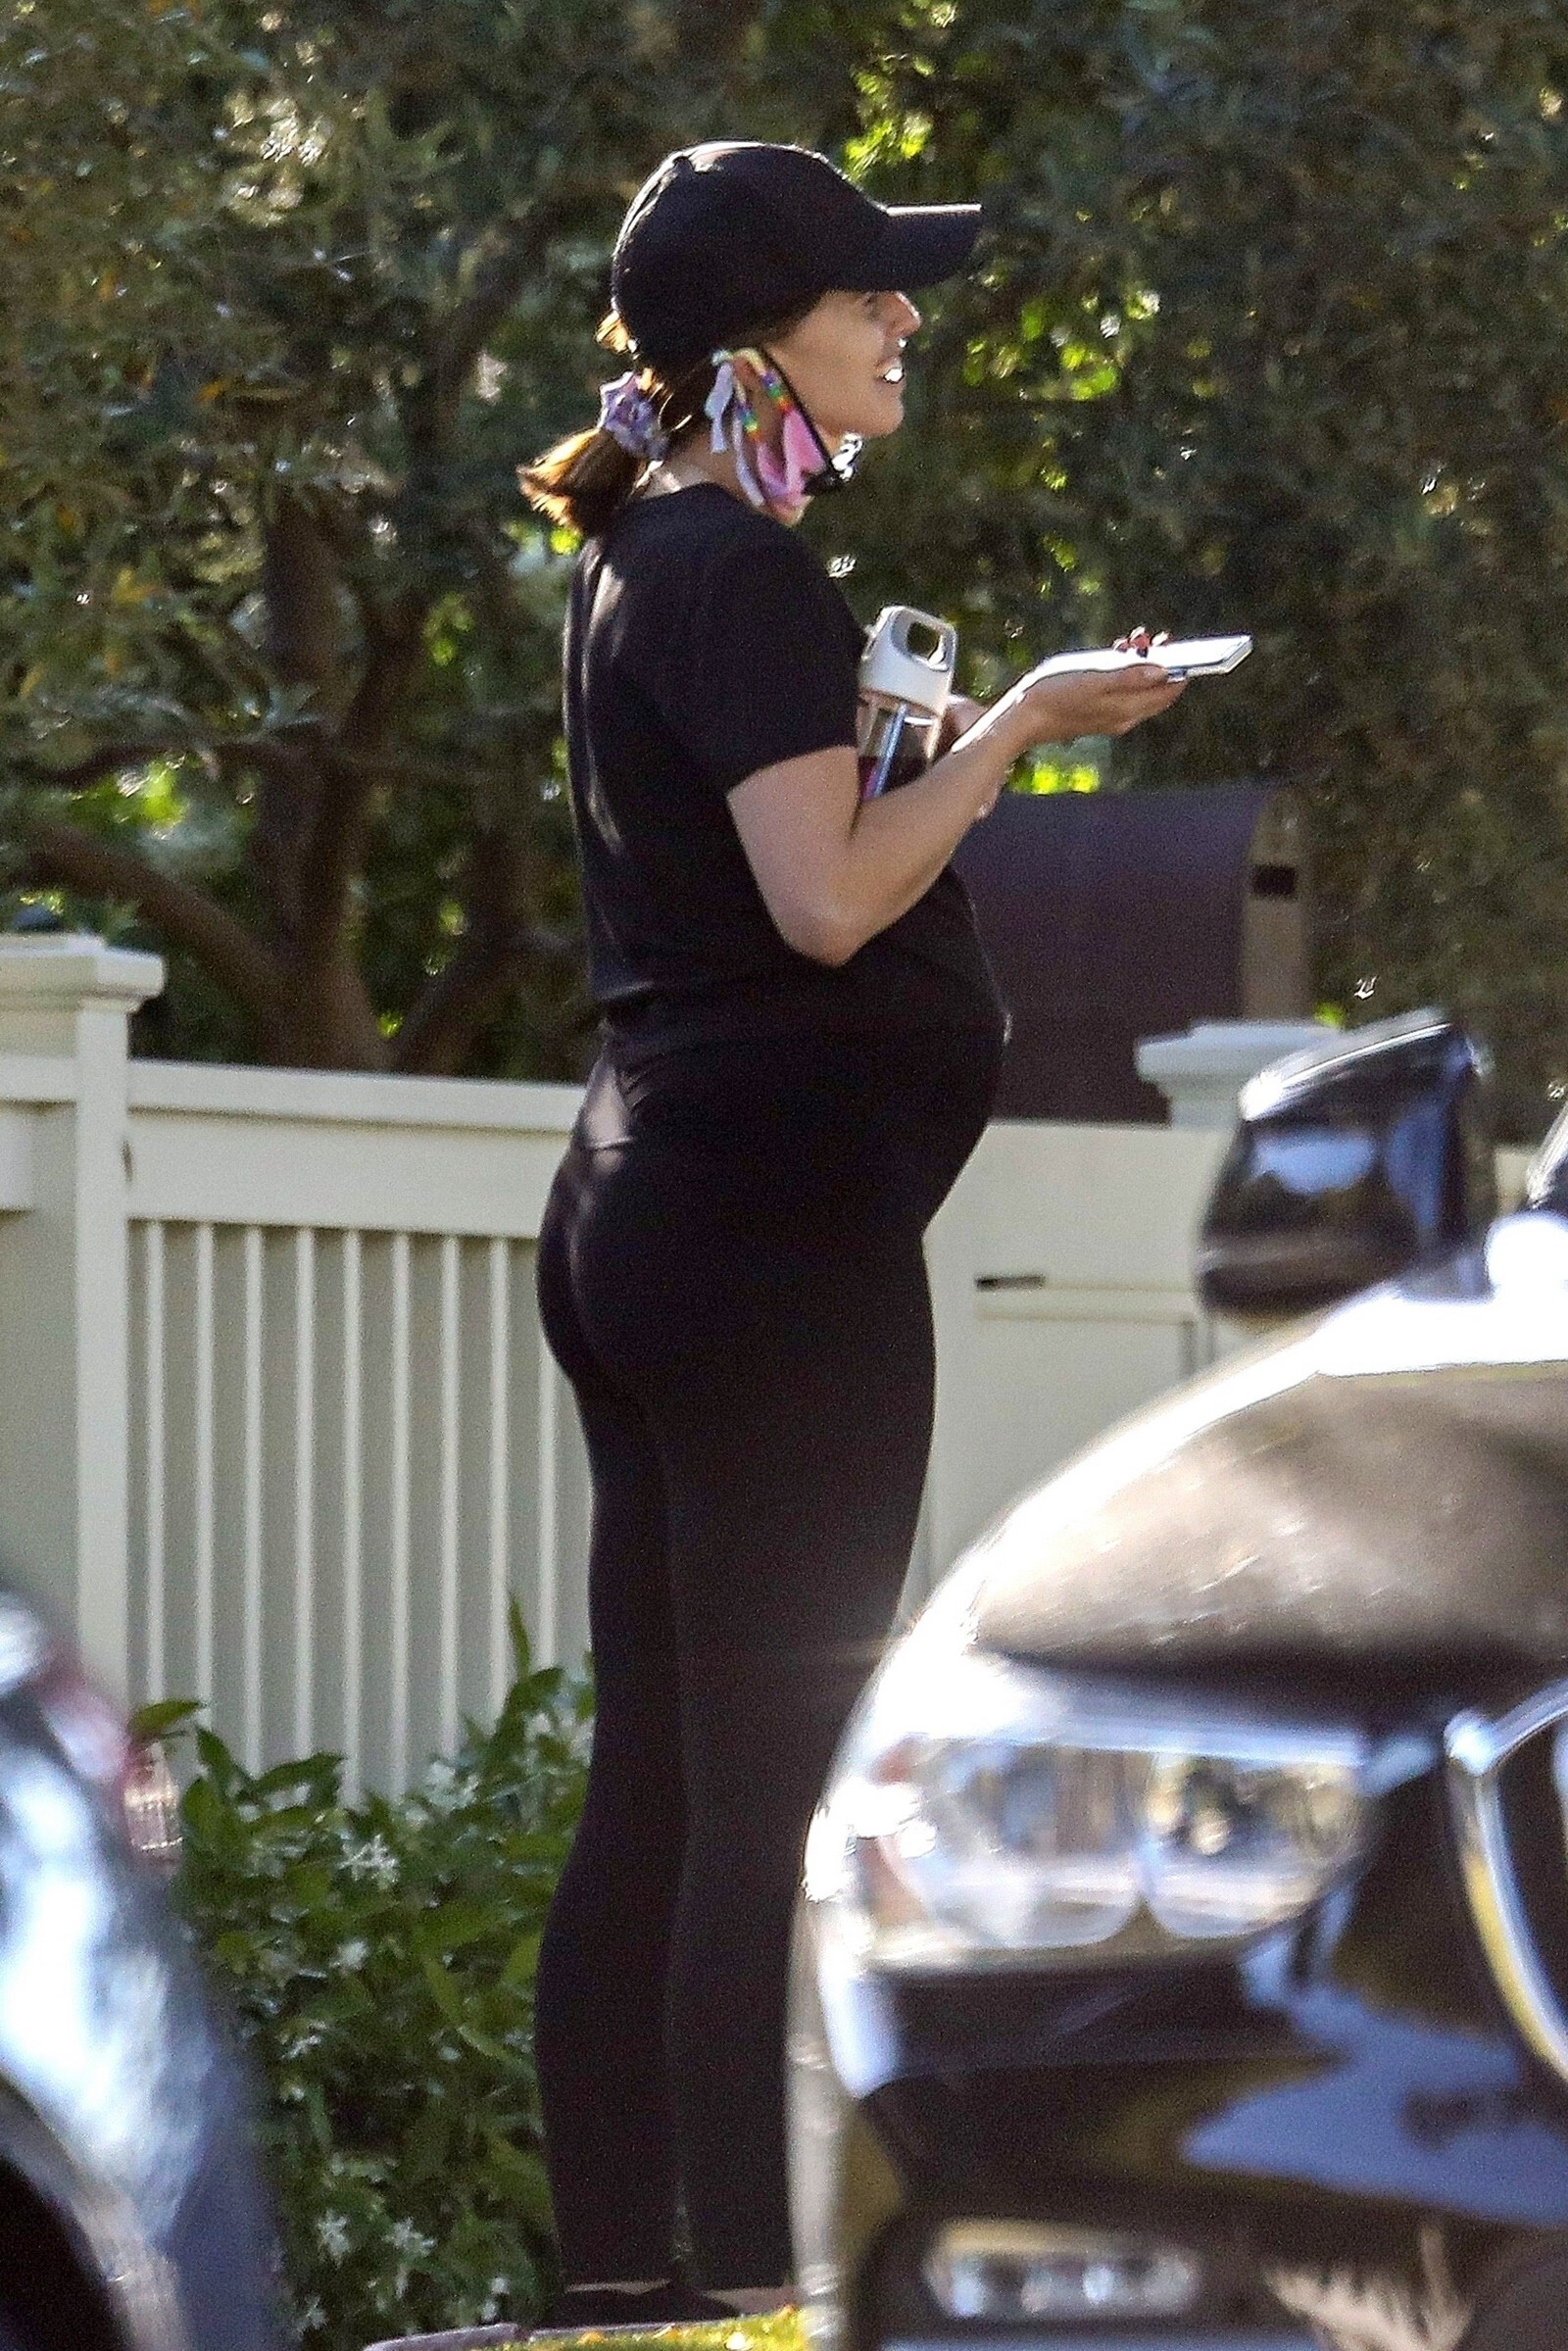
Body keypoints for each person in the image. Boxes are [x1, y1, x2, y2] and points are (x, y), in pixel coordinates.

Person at [518, 140, 1183, 2326]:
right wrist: (1015, 732)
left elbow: (774, 865)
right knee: (772, 1775)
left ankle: (625, 2273)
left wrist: (951, 734)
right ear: (757, 338)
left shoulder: (652, 553)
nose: (904, 318)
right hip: (766, 1230)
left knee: (663, 1770)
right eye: (868, 292)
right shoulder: (732, 568)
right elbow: (821, 906)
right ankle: (744, 2268)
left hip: (655, 1191)